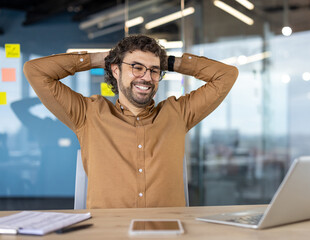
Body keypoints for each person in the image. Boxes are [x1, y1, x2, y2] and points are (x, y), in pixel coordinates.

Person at [23, 35, 238, 209]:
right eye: (136, 67)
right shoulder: (88, 114)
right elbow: (35, 71)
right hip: (108, 233)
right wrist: (98, 59)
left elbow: (226, 75)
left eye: (154, 70)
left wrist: (171, 62)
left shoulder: (178, 113)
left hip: (168, 232)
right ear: (116, 70)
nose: (146, 77)